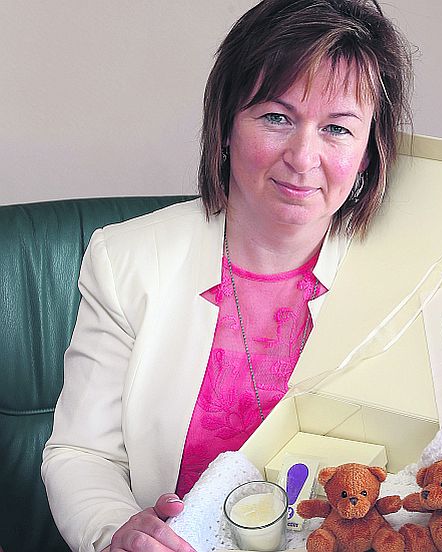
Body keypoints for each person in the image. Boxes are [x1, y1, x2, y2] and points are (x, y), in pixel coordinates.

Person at [41, 0, 413, 550]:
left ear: (368, 152)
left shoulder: (407, 271)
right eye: (276, 117)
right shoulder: (127, 262)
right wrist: (113, 533)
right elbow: (82, 454)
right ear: (226, 126)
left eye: (336, 128)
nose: (303, 157)